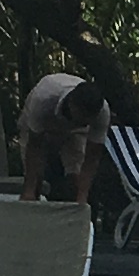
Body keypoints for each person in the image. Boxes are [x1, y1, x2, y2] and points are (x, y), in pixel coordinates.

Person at [18, 69, 107, 209]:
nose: (84, 122)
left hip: (77, 133)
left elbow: (92, 158)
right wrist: (29, 192)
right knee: (35, 179)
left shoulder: (102, 113)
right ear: (72, 104)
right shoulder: (43, 99)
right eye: (82, 118)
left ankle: (71, 213)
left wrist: (82, 199)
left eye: (88, 121)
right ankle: (31, 205)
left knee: (76, 175)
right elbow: (34, 146)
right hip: (41, 123)